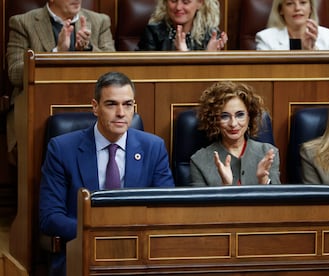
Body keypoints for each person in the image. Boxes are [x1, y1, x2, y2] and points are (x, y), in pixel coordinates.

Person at [39, 71, 175, 275]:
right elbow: (50, 217)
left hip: (138, 252)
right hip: (83, 250)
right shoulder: (62, 149)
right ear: (95, 107)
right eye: (111, 104)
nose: (121, 112)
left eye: (127, 104)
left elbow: (166, 208)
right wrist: (97, 234)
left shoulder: (153, 148)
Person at [6, 0, 115, 165]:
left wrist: (88, 50)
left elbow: (113, 69)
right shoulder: (22, 23)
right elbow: (14, 73)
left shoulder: (100, 21)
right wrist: (56, 53)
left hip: (88, 103)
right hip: (37, 107)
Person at [190, 81, 281, 186]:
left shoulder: (268, 153)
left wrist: (263, 180)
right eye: (224, 116)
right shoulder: (199, 160)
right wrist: (225, 186)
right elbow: (200, 202)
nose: (233, 124)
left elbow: (277, 201)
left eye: (240, 115)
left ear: (249, 116)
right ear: (214, 120)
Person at [136, 0, 228, 51]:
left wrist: (210, 57)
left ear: (200, 3)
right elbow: (146, 73)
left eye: (186, 2)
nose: (178, 7)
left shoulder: (211, 35)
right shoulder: (153, 32)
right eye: (173, 1)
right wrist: (180, 56)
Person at [255, 0, 329, 50]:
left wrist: (311, 52)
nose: (297, 8)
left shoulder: (328, 37)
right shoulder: (265, 38)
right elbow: (266, 74)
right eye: (290, 3)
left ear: (311, 8)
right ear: (280, 10)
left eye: (303, 2)